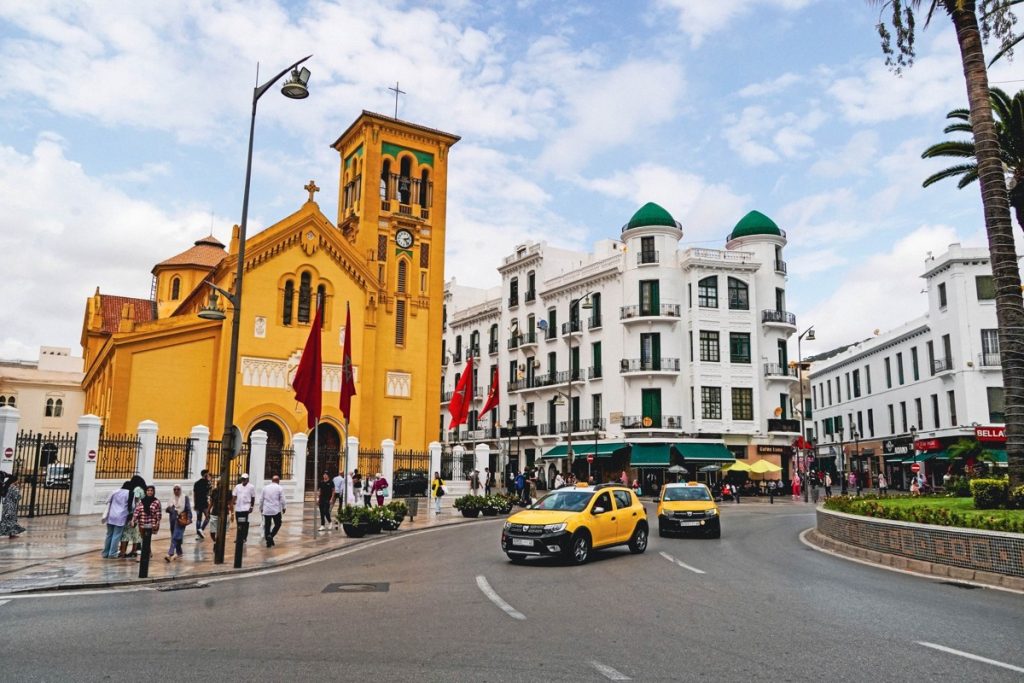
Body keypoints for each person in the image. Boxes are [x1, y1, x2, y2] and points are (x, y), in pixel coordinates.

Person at [132, 485, 161, 561]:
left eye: (151, 491)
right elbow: (137, 511)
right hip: (142, 523)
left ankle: (145, 554)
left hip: (151, 523)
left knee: (147, 538)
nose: (150, 492)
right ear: (146, 492)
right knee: (143, 539)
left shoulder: (156, 501)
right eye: (148, 490)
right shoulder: (142, 501)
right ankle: (149, 552)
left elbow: (158, 513)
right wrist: (133, 520)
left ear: (153, 492)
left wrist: (157, 523)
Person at [101, 483, 130, 558]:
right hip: (121, 517)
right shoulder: (129, 493)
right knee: (116, 535)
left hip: (111, 515)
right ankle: (112, 553)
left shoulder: (115, 491)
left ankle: (105, 553)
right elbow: (132, 506)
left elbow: (107, 501)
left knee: (109, 535)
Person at [164, 485, 191, 561]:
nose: (176, 491)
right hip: (172, 519)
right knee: (175, 535)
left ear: (180, 489)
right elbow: (168, 509)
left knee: (176, 536)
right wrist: (169, 509)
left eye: (178, 489)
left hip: (181, 519)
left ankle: (170, 552)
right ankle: (179, 552)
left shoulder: (185, 497)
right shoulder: (171, 498)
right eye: (175, 489)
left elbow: (188, 509)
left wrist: (189, 518)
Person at [260, 475, 286, 547]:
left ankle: (268, 540)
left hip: (267, 510)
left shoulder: (265, 488)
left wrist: (261, 508)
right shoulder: (279, 488)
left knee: (267, 526)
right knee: (278, 524)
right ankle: (270, 536)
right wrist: (284, 507)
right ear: (278, 481)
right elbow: (282, 499)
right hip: (276, 510)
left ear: (272, 480)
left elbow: (261, 499)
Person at [232, 473, 256, 543]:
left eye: (245, 479)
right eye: (242, 479)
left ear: (247, 479)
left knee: (243, 523)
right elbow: (234, 495)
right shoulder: (238, 486)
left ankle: (243, 537)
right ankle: (239, 537)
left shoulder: (251, 487)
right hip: (238, 508)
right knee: (239, 523)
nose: (243, 480)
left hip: (245, 508)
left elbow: (253, 497)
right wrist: (233, 501)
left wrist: (251, 507)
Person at [193, 469, 211, 540]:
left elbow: (194, 495)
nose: (209, 475)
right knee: (208, 517)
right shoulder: (208, 483)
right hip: (204, 503)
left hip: (198, 503)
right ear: (205, 475)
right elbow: (209, 493)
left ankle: (198, 533)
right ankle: (201, 530)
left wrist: (195, 504)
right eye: (208, 474)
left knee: (198, 519)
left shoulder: (196, 483)